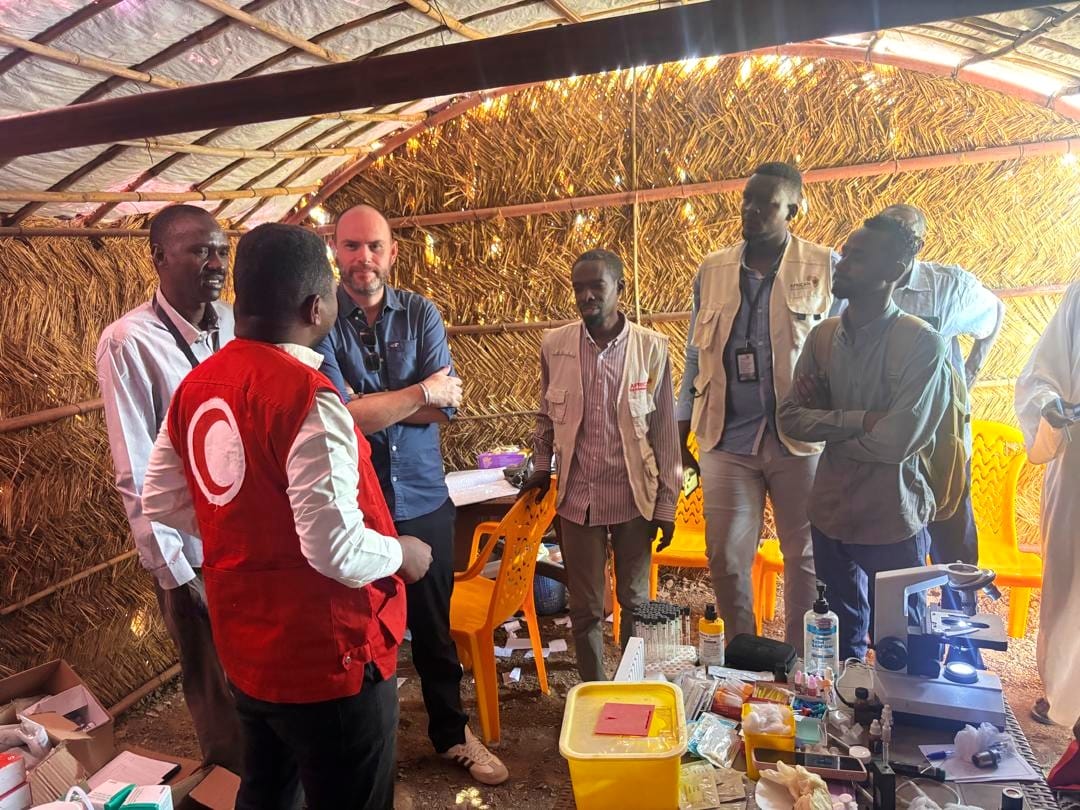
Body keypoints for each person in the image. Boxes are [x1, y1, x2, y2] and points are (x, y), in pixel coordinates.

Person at [141, 223, 432, 810]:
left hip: (248, 646)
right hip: (327, 656)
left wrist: (253, 535)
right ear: (315, 307)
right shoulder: (308, 396)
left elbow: (162, 500)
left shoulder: (198, 386)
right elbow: (335, 549)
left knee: (268, 790)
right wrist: (401, 553)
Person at [315, 205, 506, 785]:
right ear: (335, 251)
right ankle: (364, 747)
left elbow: (448, 409)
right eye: (351, 246)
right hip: (358, 506)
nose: (363, 258)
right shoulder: (322, 322)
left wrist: (371, 406)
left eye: (374, 246)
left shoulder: (422, 313)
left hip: (424, 499)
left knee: (434, 632)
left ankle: (452, 735)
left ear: (392, 253)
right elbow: (341, 419)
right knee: (355, 631)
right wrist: (421, 391)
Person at [95, 204, 242, 772]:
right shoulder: (129, 342)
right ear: (158, 257)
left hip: (247, 534)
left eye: (222, 251)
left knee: (259, 675)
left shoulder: (232, 322)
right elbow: (134, 467)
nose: (216, 263)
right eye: (200, 250)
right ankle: (231, 789)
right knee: (214, 687)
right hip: (193, 547)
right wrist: (177, 575)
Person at [678, 162, 837, 651]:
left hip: (801, 440)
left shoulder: (824, 266)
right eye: (746, 200)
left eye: (765, 204)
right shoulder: (713, 269)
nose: (750, 210)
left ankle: (801, 663)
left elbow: (848, 349)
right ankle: (743, 656)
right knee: (726, 556)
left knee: (805, 558)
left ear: (792, 210)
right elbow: (694, 354)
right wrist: (682, 427)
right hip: (726, 435)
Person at [779, 215, 952, 661]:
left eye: (858, 256)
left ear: (894, 270)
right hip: (829, 514)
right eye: (845, 253)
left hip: (891, 518)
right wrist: (864, 420)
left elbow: (897, 441)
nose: (843, 263)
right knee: (837, 646)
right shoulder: (822, 337)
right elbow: (790, 419)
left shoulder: (921, 344)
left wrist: (829, 424)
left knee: (904, 647)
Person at [522, 249, 680, 681]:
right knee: (586, 606)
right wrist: (541, 466)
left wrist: (666, 504)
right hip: (579, 497)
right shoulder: (556, 346)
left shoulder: (651, 349)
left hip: (633, 497)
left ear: (620, 288)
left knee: (634, 602)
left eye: (597, 286)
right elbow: (545, 415)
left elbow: (665, 433)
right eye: (579, 288)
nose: (586, 296)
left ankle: (630, 687)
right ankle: (594, 690)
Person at [880, 204, 1004, 597]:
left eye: (905, 234)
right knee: (890, 544)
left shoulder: (948, 288)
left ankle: (960, 616)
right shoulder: (855, 284)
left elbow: (994, 314)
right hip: (883, 442)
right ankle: (897, 621)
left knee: (952, 538)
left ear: (919, 243)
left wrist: (970, 373)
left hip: (940, 442)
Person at [1015, 282, 1080, 727]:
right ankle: (1066, 694)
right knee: (1069, 578)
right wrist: (1049, 406)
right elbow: (1040, 376)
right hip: (1076, 466)